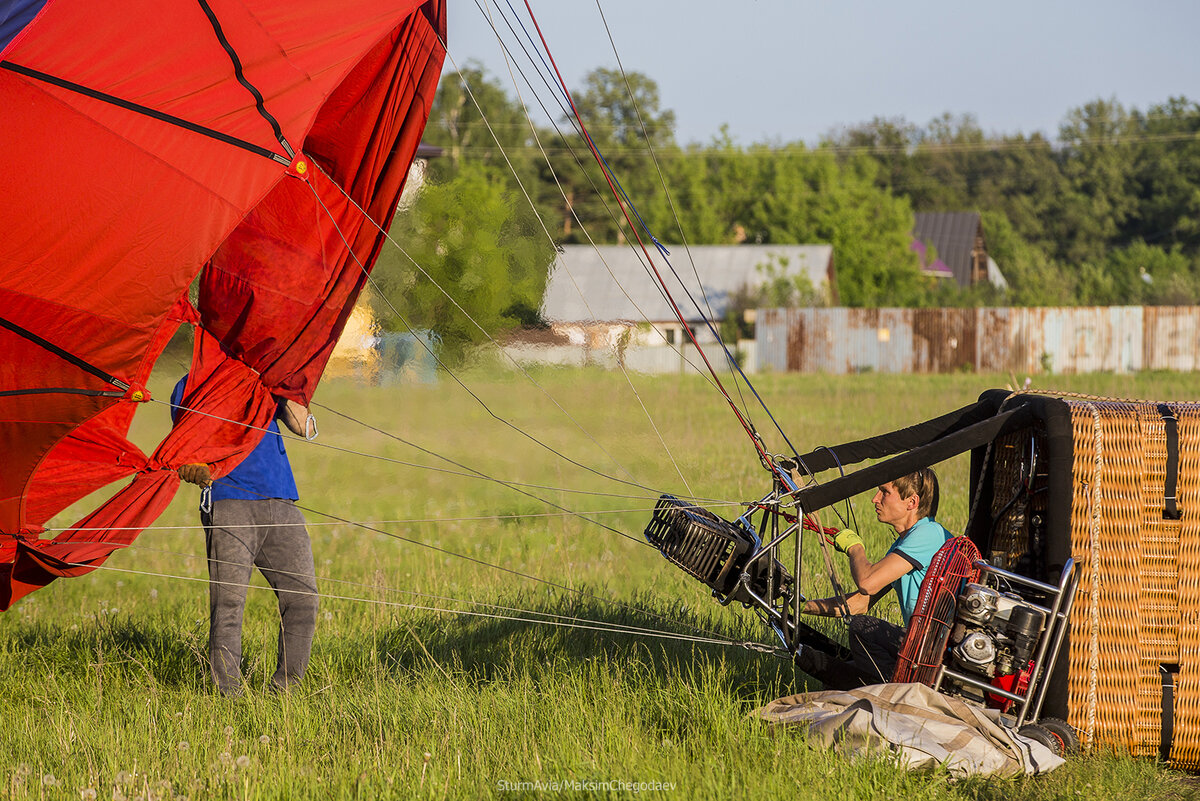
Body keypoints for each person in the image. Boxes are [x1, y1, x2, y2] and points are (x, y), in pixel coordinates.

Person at [171, 376, 319, 697]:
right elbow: (183, 446)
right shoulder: (190, 385)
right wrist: (192, 465)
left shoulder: (266, 378)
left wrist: (293, 383)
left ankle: (285, 693)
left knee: (303, 599)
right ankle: (229, 697)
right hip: (228, 502)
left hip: (281, 499)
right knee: (229, 605)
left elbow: (304, 427)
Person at [794, 467, 952, 690]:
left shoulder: (928, 534)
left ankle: (893, 692)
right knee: (836, 677)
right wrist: (800, 607)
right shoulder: (906, 543)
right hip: (921, 645)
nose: (874, 499)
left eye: (884, 492)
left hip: (932, 650)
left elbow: (867, 584)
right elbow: (859, 603)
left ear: (912, 502)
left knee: (861, 629)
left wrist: (855, 548)